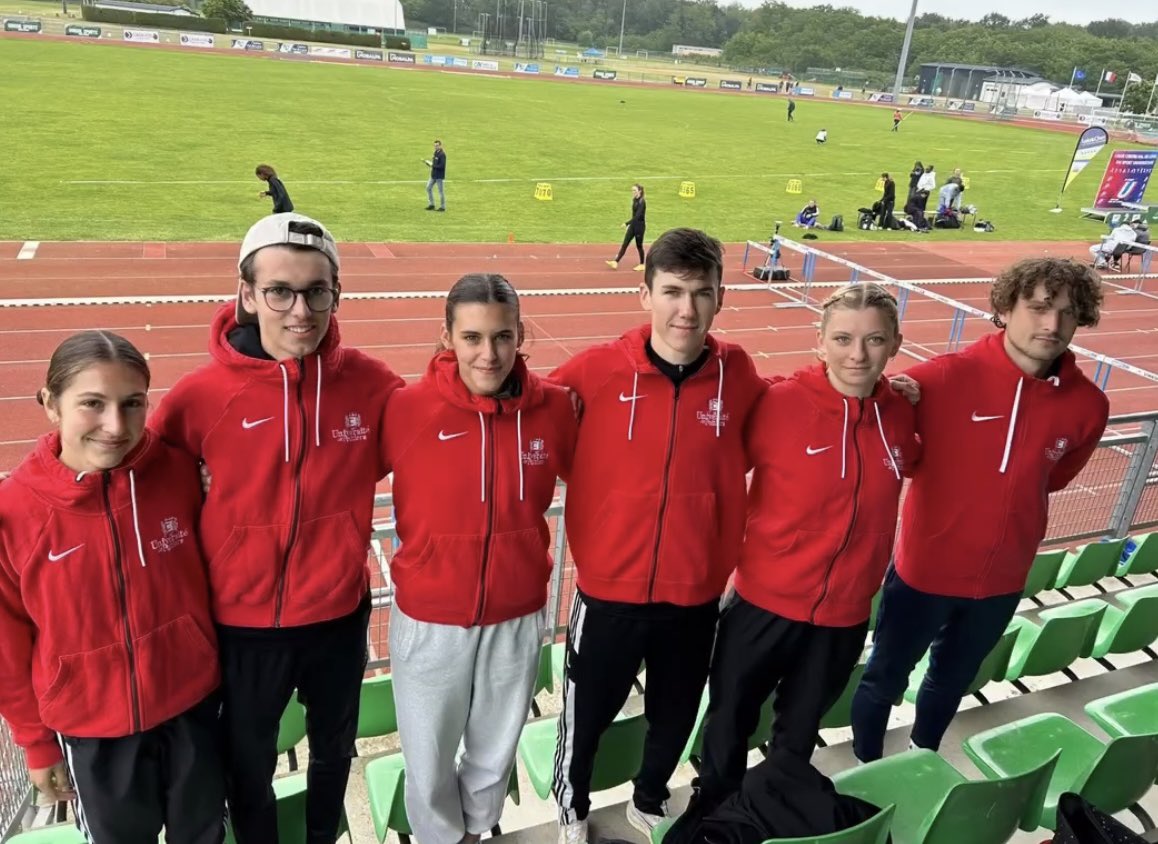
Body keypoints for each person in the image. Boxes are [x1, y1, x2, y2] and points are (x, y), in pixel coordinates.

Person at [150, 212, 406, 844]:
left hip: (337, 617)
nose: (301, 311)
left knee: (331, 758)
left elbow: (441, 426)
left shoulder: (372, 386)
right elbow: (145, 486)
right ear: (246, 295)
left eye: (318, 291)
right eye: (280, 292)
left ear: (336, 294)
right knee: (248, 769)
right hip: (241, 628)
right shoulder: (198, 397)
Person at [550, 228, 769, 842]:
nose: (687, 309)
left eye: (702, 293)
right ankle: (573, 810)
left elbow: (800, 404)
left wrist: (888, 388)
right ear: (645, 294)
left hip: (695, 596)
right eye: (672, 291)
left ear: (721, 298)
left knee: (673, 716)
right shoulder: (593, 370)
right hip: (608, 593)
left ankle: (649, 800)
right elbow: (522, 406)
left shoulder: (740, 374)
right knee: (585, 716)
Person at [851, 258, 1110, 762]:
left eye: (1067, 313)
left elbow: (1053, 479)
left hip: (1001, 582)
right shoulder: (940, 378)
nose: (1052, 325)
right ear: (1004, 308)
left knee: (949, 683)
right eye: (1037, 308)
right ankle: (866, 768)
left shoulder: (1089, 406)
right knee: (883, 679)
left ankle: (922, 758)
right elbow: (880, 436)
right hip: (922, 573)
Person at [694, 283, 919, 806]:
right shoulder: (778, 403)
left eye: (874, 340)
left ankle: (773, 812)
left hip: (843, 615)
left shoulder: (902, 414)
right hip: (762, 603)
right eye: (842, 338)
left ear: (895, 343)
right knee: (729, 720)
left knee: (797, 735)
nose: (857, 354)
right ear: (819, 342)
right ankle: (714, 812)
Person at [0, 331, 224, 843]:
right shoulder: (14, 512)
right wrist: (36, 744)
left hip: (193, 706)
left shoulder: (180, 473)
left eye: (132, 404)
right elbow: (7, 646)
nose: (115, 425)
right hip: (91, 728)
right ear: (50, 405)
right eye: (92, 404)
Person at [385, 274, 578, 844]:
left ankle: (480, 830)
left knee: (496, 747)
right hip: (429, 616)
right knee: (427, 757)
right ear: (446, 337)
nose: (487, 354)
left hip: (516, 611)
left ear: (521, 337)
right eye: (471, 337)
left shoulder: (556, 410)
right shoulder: (402, 409)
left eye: (502, 336)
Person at [607, 184, 647, 271]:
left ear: (639, 191)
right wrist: (630, 224)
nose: (633, 192)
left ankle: (642, 264)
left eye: (635, 190)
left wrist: (627, 223)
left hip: (639, 227)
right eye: (632, 190)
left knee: (639, 246)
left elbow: (637, 216)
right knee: (625, 243)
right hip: (633, 226)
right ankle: (616, 262)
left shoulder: (642, 202)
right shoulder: (635, 200)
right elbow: (634, 216)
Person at [425, 139, 447, 211]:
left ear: (440, 146)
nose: (436, 147)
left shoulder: (442, 154)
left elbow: (442, 166)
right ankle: (432, 204)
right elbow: (434, 164)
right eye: (435, 146)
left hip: (439, 176)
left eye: (437, 146)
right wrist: (429, 164)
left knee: (440, 191)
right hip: (433, 175)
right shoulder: (435, 153)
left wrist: (432, 165)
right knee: (428, 188)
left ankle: (443, 207)